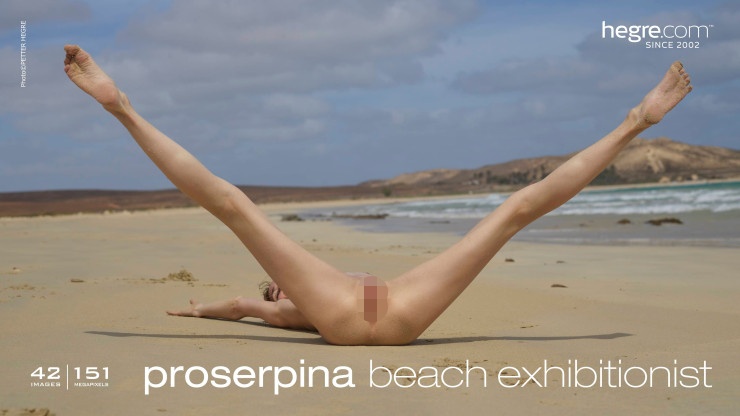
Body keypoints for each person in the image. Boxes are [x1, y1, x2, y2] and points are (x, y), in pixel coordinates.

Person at [64, 44, 692, 345]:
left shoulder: (315, 289)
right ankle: (122, 108)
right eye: (276, 289)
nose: (276, 288)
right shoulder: (294, 305)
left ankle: (635, 121)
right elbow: (242, 306)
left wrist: (208, 308)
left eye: (274, 286)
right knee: (232, 205)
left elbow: (241, 302)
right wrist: (200, 311)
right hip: (373, 312)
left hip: (394, 308)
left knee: (516, 208)